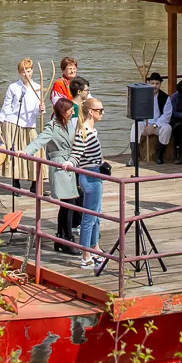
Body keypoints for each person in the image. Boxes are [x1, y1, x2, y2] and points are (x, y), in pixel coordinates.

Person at [34, 94, 81, 256]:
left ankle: (61, 237)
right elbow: (39, 140)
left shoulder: (68, 125)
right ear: (62, 111)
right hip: (60, 166)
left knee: (67, 203)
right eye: (69, 110)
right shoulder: (52, 126)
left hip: (69, 165)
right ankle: (66, 238)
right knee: (68, 203)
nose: (71, 112)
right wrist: (23, 152)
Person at [72, 94, 111, 260]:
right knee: (89, 216)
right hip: (89, 176)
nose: (102, 113)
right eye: (99, 110)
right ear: (90, 112)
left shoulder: (92, 130)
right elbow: (76, 154)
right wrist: (70, 164)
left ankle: (95, 246)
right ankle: (86, 254)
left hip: (96, 173)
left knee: (97, 213)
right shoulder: (84, 132)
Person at [0, 58, 44, 182]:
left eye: (28, 71)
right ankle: (15, 181)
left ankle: (35, 183)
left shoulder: (38, 87)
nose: (26, 74)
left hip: (29, 123)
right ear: (19, 73)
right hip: (13, 123)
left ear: (32, 71)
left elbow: (37, 111)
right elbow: (6, 106)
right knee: (15, 153)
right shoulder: (13, 87)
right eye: (23, 72)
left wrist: (41, 109)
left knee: (35, 151)